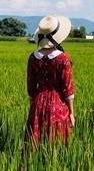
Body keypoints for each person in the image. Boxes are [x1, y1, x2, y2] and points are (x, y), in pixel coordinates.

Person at [25, 15, 75, 147]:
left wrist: (34, 106)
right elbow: (68, 89)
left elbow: (30, 88)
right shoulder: (63, 59)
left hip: (37, 103)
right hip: (58, 104)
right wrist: (71, 113)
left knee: (35, 143)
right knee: (56, 143)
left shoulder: (33, 58)